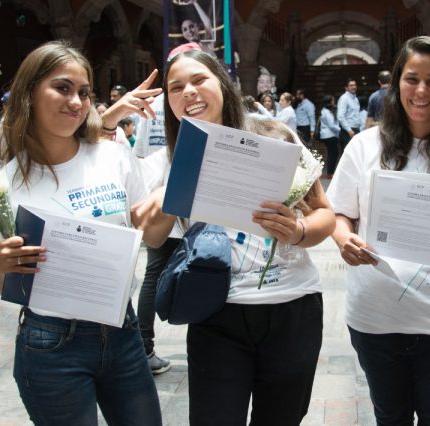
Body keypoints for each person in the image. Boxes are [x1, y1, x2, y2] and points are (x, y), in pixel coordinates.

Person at [133, 48, 336, 425]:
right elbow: (153, 237)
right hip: (215, 311)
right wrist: (170, 193)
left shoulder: (274, 135)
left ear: (222, 85)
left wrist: (299, 230)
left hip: (292, 306)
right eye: (176, 87)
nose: (188, 92)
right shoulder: (164, 162)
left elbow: (326, 215)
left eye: (198, 80)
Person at [0, 41, 163, 425]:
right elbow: (2, 281)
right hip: (50, 344)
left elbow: (150, 233)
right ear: (29, 93)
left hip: (122, 332)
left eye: (84, 92)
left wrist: (169, 196)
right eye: (63, 88)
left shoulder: (114, 156)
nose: (76, 101)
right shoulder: (1, 188)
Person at [326, 36, 430, 425]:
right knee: (390, 416)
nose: (421, 91)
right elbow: (339, 213)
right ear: (396, 83)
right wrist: (342, 237)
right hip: (378, 315)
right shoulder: (365, 146)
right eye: (412, 78)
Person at [336, 78, 361, 152]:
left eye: (355, 85)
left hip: (356, 129)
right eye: (351, 85)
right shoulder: (344, 98)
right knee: (348, 154)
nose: (354, 87)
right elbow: (340, 116)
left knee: (356, 154)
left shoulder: (355, 99)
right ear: (346, 87)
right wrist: (349, 130)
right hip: (347, 131)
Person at [318, 94, 340, 176]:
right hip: (330, 135)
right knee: (333, 154)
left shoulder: (324, 111)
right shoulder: (327, 112)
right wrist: (339, 129)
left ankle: (330, 172)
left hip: (327, 135)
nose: (334, 102)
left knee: (333, 153)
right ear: (329, 102)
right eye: (333, 100)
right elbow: (332, 125)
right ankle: (330, 172)